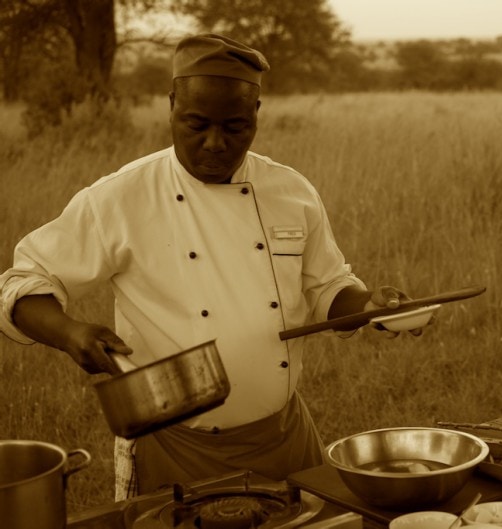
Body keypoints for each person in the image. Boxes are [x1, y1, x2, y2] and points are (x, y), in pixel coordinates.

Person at [0, 34, 424, 498]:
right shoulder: (121, 197)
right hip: (174, 448)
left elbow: (328, 288)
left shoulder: (291, 191)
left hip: (285, 437)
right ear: (170, 106)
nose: (216, 144)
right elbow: (22, 284)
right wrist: (70, 333)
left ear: (257, 113)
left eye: (236, 126)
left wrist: (372, 307)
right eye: (196, 124)